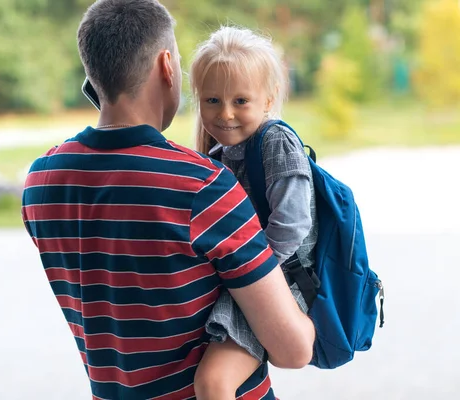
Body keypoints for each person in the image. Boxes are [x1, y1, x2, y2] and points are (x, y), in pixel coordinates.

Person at [21, 1, 315, 399]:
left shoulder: (42, 180)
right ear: (167, 66)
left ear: (93, 75)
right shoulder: (203, 187)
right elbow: (293, 349)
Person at [189, 26, 319, 399]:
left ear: (268, 99)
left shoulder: (276, 141)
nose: (225, 113)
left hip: (279, 281)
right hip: (249, 279)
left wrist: (247, 275)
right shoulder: (218, 157)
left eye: (240, 100)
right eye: (212, 100)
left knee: (214, 383)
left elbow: (292, 224)